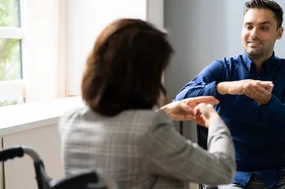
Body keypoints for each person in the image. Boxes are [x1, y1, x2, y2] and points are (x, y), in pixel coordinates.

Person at [58, 18, 236, 189]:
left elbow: (123, 131)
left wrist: (164, 112)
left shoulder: (70, 121)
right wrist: (215, 121)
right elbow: (222, 170)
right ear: (144, 76)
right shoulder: (149, 130)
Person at [175, 0, 285, 189]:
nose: (254, 34)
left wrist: (269, 101)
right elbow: (181, 98)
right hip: (228, 176)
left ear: (278, 33)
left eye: (264, 28)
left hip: (274, 177)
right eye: (249, 26)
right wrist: (226, 87)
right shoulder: (222, 68)